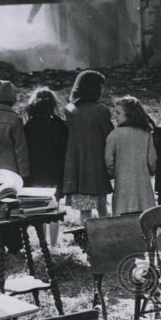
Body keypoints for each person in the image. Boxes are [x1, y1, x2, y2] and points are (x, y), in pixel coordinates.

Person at [63, 70, 114, 224]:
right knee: (101, 206)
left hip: (77, 169)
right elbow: (110, 136)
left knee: (84, 209)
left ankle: (86, 237)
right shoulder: (101, 111)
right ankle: (105, 235)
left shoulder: (69, 110)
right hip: (96, 167)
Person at [24, 87, 68, 245]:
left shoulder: (28, 126)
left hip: (35, 174)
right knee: (54, 209)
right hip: (56, 173)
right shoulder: (60, 125)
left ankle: (42, 243)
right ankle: (54, 245)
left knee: (39, 211)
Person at [105, 96, 157, 216]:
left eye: (118, 113)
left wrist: (112, 173)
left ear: (129, 114)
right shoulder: (146, 133)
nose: (115, 116)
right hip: (143, 183)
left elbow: (109, 160)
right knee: (145, 215)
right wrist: (150, 172)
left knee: (122, 216)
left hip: (122, 184)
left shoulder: (114, 135)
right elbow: (152, 160)